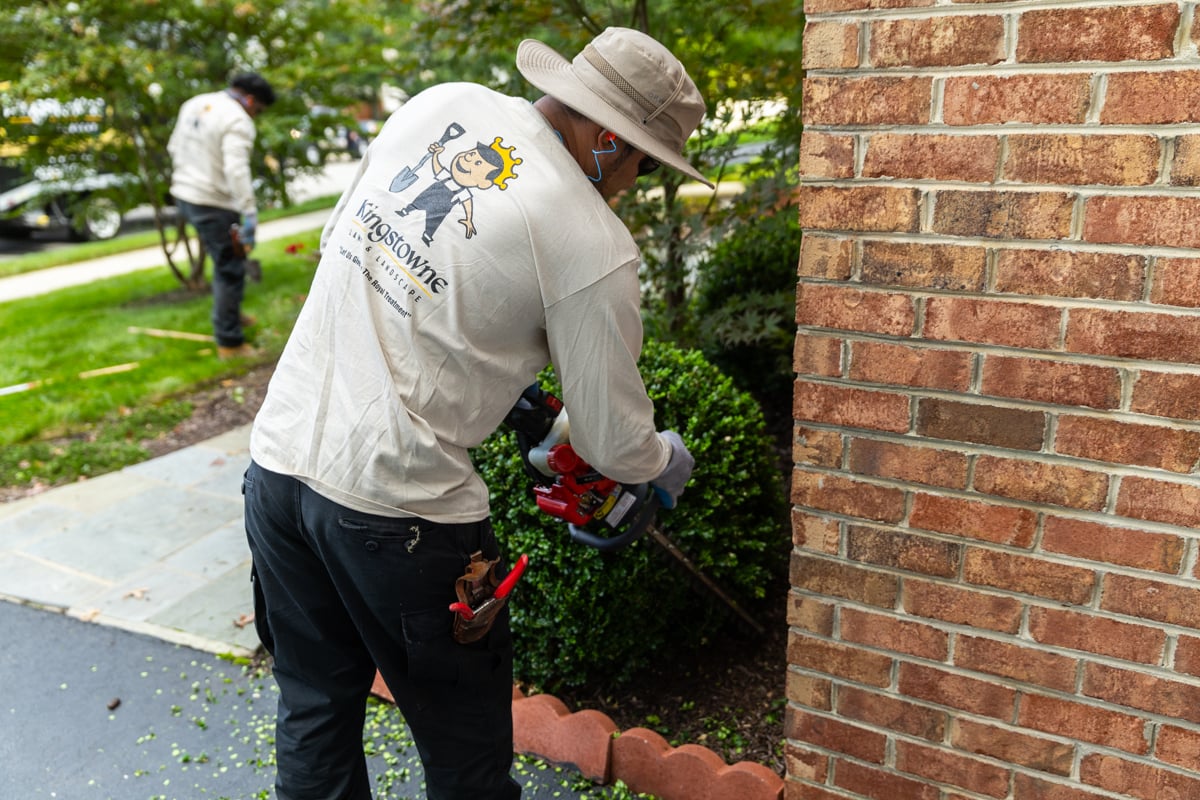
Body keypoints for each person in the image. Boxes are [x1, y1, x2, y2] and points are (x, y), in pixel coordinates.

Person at [243, 27, 707, 800]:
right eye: (644, 161)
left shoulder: (443, 106)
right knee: (467, 761)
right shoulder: (591, 243)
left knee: (316, 709)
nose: (633, 180)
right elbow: (613, 442)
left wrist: (512, 394)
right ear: (608, 140)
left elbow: (346, 251)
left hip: (279, 468)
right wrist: (663, 463)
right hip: (401, 517)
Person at [167, 72, 276, 359]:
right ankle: (230, 343)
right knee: (230, 266)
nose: (256, 115)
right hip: (213, 201)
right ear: (250, 100)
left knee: (226, 258)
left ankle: (232, 314)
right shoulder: (238, 119)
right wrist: (249, 212)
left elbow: (173, 147)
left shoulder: (195, 102)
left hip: (185, 195)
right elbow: (236, 170)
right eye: (259, 110)